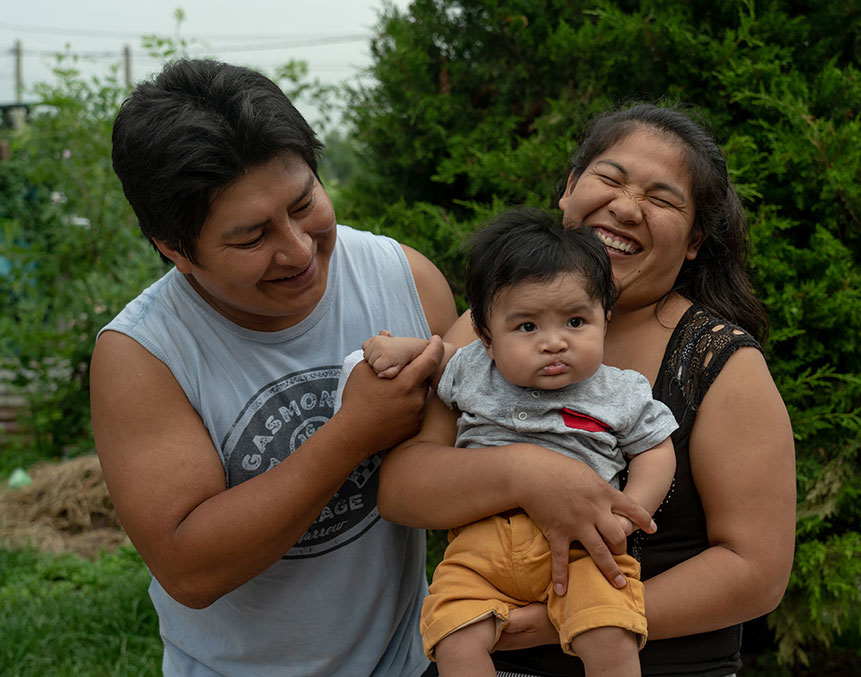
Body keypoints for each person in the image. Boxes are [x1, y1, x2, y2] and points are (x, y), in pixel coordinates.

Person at [376, 104, 797, 676]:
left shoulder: (720, 361)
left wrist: (569, 619)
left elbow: (756, 573)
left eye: (662, 198)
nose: (626, 207)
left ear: (695, 239)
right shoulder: (491, 328)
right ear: (570, 189)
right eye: (610, 178)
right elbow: (402, 490)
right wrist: (526, 472)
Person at [89, 58, 457, 676]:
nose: (297, 249)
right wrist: (351, 435)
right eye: (251, 237)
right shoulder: (143, 355)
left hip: (414, 662)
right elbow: (190, 568)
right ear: (176, 249)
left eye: (304, 202)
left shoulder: (405, 280)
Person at [362, 208, 678, 676]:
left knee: (611, 631)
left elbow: (655, 447)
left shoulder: (621, 390)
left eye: (575, 321)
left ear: (604, 319)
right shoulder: (475, 371)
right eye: (527, 327)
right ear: (488, 339)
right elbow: (438, 356)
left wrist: (627, 513)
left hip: (582, 545)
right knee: (454, 636)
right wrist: (403, 350)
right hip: (479, 549)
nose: (554, 342)